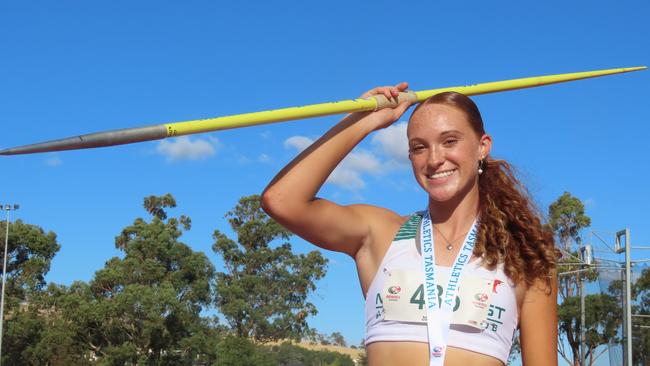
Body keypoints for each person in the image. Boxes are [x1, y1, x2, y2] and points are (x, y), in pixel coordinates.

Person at [261, 82, 558, 366]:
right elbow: (281, 200)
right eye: (419, 147)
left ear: (482, 146)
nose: (434, 159)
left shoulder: (526, 256)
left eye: (449, 141)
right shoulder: (382, 234)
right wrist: (360, 121)